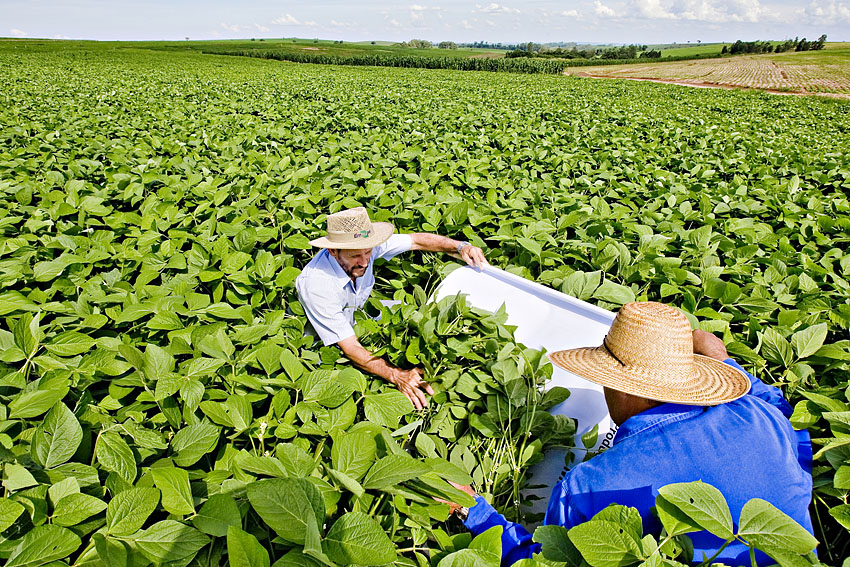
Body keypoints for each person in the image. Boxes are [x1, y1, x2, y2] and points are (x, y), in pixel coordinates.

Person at [449, 301, 814, 566]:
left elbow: (546, 561)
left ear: (621, 388)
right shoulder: (758, 412)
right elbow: (773, 401)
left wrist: (474, 512)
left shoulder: (593, 484)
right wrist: (722, 360)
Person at [295, 206, 487, 409]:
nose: (364, 262)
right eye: (355, 257)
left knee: (415, 313)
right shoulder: (317, 286)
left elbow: (416, 240)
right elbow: (350, 348)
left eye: (368, 252)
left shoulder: (364, 247)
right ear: (332, 251)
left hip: (360, 318)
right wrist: (397, 375)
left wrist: (461, 247)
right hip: (323, 345)